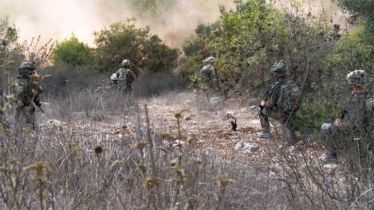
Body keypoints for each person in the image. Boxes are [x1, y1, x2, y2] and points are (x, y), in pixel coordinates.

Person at [319, 70, 374, 164]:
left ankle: (332, 157)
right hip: (367, 130)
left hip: (358, 131)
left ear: (353, 84)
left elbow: (355, 123)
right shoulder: (368, 96)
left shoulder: (356, 99)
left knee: (326, 127)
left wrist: (339, 124)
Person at [257, 60, 301, 144]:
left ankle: (266, 132)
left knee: (260, 109)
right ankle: (293, 134)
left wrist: (263, 104)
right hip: (292, 114)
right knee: (289, 130)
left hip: (282, 115)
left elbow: (270, 103)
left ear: (278, 74)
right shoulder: (292, 84)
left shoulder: (278, 87)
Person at [15, 61, 43, 130]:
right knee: (31, 126)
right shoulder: (32, 83)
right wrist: (37, 78)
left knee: (14, 123)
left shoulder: (16, 81)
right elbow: (40, 90)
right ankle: (31, 136)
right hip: (27, 107)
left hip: (15, 106)